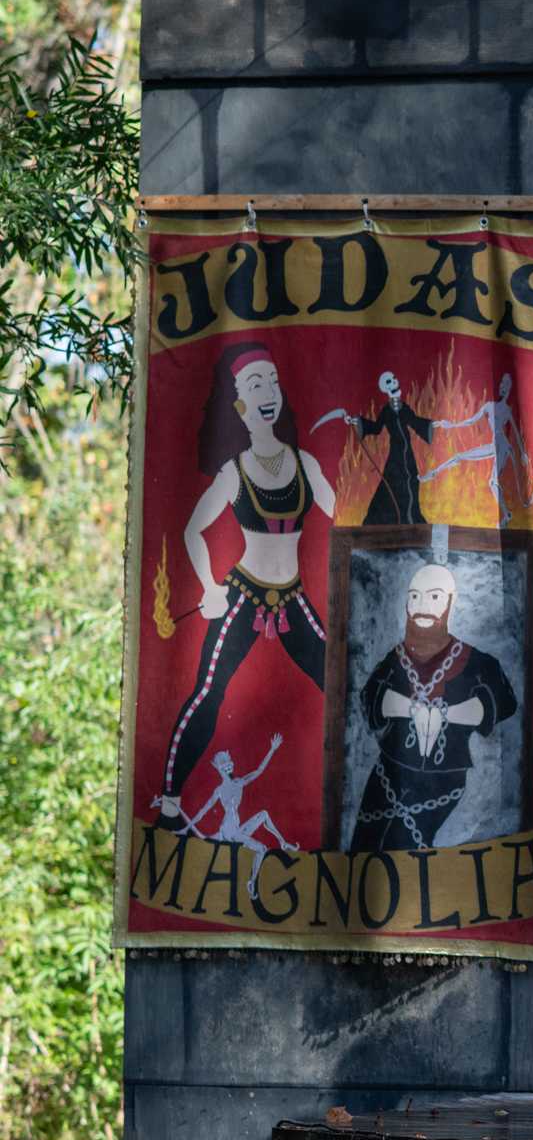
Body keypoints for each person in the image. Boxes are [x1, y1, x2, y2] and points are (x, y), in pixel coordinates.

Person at [156, 342, 338, 832]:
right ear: (239, 405)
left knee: (339, 682)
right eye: (255, 386)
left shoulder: (306, 466)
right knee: (209, 693)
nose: (267, 393)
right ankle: (170, 803)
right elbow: (194, 529)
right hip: (243, 595)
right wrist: (211, 587)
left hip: (294, 597)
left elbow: (346, 520)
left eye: (272, 383)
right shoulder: (234, 474)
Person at [349, 561, 520, 852]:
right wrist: (410, 709)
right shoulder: (396, 658)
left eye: (435, 596)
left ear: (450, 603)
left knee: (405, 846)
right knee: (364, 842)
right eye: (414, 596)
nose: (422, 605)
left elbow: (505, 702)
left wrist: (448, 714)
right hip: (387, 772)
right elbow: (370, 697)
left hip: (446, 777)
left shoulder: (476, 661)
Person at [180, 733, 298, 902]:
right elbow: (202, 812)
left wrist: (272, 750)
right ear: (219, 769)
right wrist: (186, 827)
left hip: (236, 829)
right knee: (262, 849)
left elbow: (258, 771)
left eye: (229, 765)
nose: (228, 769)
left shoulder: (240, 782)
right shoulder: (219, 790)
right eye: (224, 767)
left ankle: (282, 842)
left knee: (264, 814)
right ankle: (251, 882)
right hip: (229, 832)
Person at [426, 372, 533, 526]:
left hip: (503, 446)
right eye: (501, 383)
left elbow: (515, 431)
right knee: (460, 456)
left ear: (509, 389)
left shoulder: (507, 410)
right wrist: (450, 424)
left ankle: (507, 516)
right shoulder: (489, 406)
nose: (502, 386)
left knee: (493, 482)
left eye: (506, 384)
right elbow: (470, 421)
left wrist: (522, 454)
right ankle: (434, 473)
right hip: (494, 445)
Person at [352, 370, 437, 526]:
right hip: (396, 454)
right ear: (385, 388)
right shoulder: (386, 410)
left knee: (412, 482)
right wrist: (359, 423)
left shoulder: (404, 407)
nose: (394, 382)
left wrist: (430, 426)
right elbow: (377, 428)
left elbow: (414, 421)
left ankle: (413, 519)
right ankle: (385, 522)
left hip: (408, 453)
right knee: (393, 484)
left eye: (394, 378)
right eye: (389, 381)